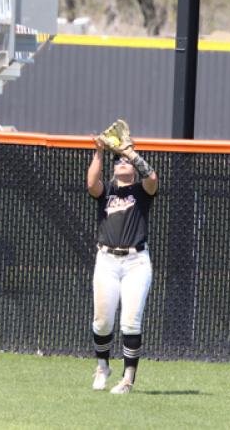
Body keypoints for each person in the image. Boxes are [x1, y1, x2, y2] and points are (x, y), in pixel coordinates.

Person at [87, 137, 158, 394]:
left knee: (130, 321)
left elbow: (152, 178)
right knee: (103, 321)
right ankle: (102, 366)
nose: (122, 163)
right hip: (106, 260)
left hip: (135, 262)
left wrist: (130, 153)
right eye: (118, 161)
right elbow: (91, 184)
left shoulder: (141, 191)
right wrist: (99, 151)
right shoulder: (107, 191)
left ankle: (128, 379)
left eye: (126, 162)